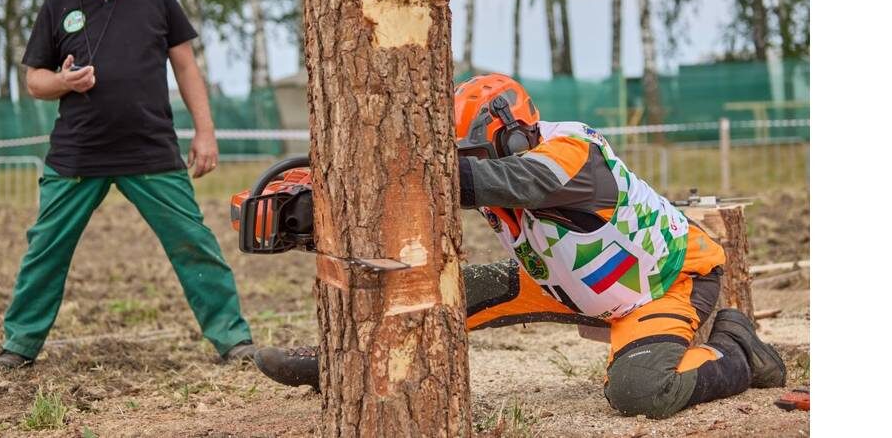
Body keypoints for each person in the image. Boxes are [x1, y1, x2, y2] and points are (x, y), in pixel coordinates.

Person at [253, 73, 785, 419]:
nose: (466, 164)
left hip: (663, 284)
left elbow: (515, 182)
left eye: (475, 154)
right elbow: (433, 198)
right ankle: (333, 362)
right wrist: (328, 205)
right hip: (562, 282)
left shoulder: (571, 152)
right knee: (437, 295)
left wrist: (410, 174)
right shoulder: (490, 161)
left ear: (513, 134)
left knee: (642, 390)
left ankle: (740, 349)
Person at [0, 0, 255, 373]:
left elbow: (186, 67)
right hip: (77, 157)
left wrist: (205, 132)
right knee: (45, 249)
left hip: (151, 151)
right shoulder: (57, 5)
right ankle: (18, 347)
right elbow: (34, 81)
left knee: (194, 243)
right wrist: (62, 82)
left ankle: (234, 340)